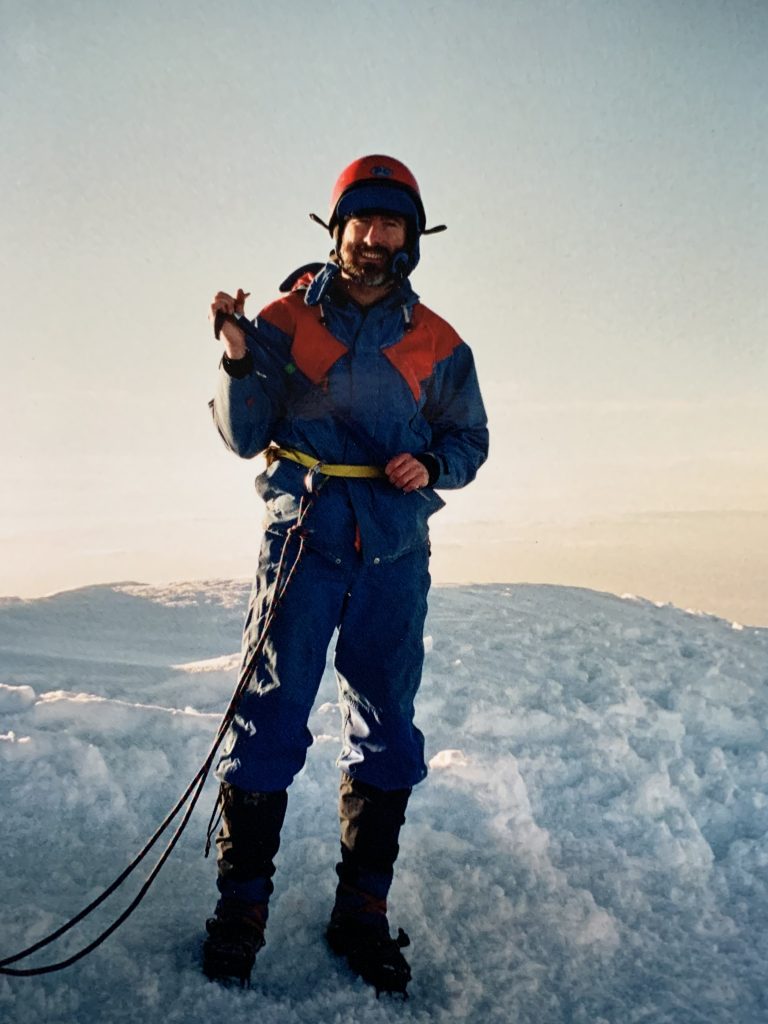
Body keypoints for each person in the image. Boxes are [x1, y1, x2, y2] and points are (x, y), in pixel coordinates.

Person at [204, 155, 489, 993]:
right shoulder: (284, 322)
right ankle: (240, 907)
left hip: (394, 551)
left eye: (390, 224)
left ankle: (361, 908)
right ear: (337, 232)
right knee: (270, 716)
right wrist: (233, 355)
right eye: (359, 223)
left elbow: (470, 442)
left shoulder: (440, 341)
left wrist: (431, 462)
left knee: (386, 724)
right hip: (302, 543)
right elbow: (242, 433)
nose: (373, 238)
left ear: (412, 237)